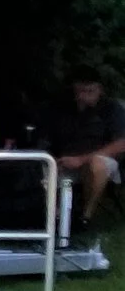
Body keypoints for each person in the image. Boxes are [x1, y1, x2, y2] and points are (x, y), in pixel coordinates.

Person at [51, 67, 125, 231]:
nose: (84, 94)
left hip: (97, 160)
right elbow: (46, 138)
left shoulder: (112, 109)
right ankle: (56, 217)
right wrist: (53, 157)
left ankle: (85, 217)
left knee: (98, 164)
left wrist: (81, 160)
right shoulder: (62, 109)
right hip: (64, 160)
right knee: (41, 165)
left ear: (99, 89)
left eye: (89, 90)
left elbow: (121, 143)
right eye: (80, 90)